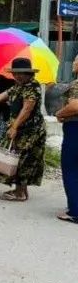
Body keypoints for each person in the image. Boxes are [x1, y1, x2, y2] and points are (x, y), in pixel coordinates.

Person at [0, 58, 46, 201]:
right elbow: (1, 96)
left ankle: (20, 193)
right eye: (15, 73)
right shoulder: (19, 86)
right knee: (19, 158)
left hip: (31, 131)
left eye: (20, 73)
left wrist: (14, 126)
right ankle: (21, 190)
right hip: (21, 128)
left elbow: (27, 109)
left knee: (24, 160)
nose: (17, 76)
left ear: (27, 73)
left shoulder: (32, 86)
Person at [55, 54, 78, 224]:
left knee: (71, 169)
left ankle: (75, 211)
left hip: (75, 130)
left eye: (76, 60)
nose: (74, 63)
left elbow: (76, 105)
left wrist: (60, 113)